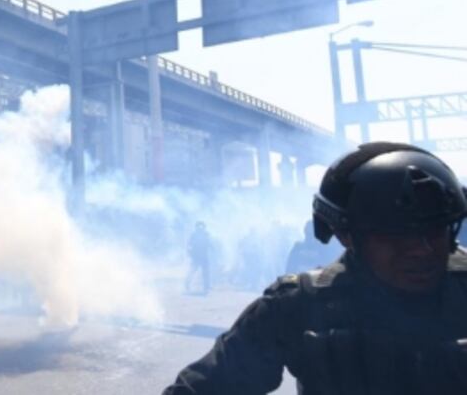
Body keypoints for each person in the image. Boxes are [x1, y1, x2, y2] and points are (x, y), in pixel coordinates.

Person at [163, 142, 467, 395]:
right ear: (348, 236)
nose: (421, 250)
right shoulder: (299, 305)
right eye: (394, 235)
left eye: (434, 232)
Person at [186, 221, 211, 295]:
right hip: (196, 256)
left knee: (205, 273)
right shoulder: (194, 235)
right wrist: (190, 253)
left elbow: (209, 243)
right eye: (199, 227)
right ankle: (187, 283)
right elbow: (189, 245)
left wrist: (213, 249)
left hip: (203, 256)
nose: (201, 228)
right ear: (197, 228)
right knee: (193, 271)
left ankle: (206, 287)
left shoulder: (206, 234)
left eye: (202, 227)